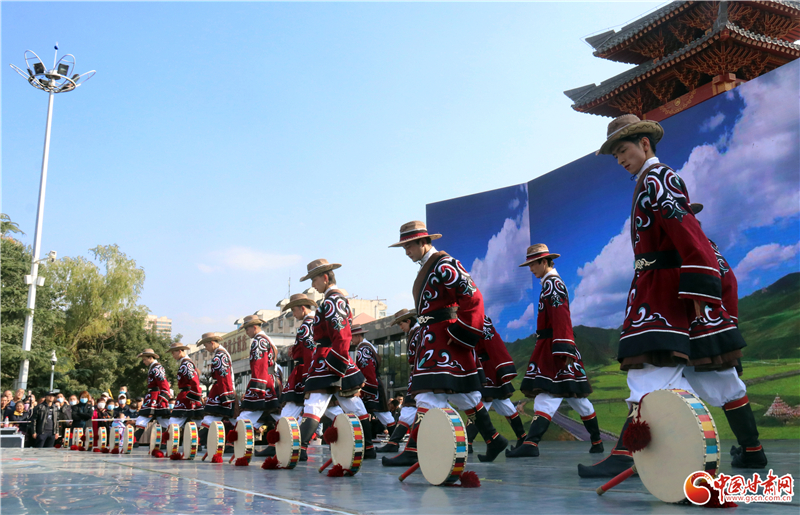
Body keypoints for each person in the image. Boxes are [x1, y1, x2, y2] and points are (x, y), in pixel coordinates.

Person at [579, 115, 764, 478]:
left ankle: (626, 454)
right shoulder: (650, 181)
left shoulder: (657, 177)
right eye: (615, 155)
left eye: (623, 150)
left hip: (662, 291)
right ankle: (753, 450)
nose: (620, 159)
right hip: (664, 284)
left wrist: (697, 288)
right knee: (719, 378)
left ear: (645, 144)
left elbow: (683, 227)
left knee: (647, 371)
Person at [384, 221, 508, 466]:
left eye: (408, 246)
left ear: (423, 242)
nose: (406, 251)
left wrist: (462, 331)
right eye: (404, 247)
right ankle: (493, 438)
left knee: (427, 393)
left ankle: (412, 449)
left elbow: (473, 296)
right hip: (434, 337)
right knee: (464, 395)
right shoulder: (430, 267)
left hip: (444, 338)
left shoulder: (444, 263)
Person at [506, 245, 603, 458]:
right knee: (576, 397)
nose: (531, 269)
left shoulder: (552, 285)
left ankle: (531, 444)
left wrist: (562, 348)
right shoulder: (550, 284)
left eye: (533, 264)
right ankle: (597, 441)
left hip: (555, 346)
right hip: (557, 344)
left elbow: (561, 316)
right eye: (529, 264)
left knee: (548, 394)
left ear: (544, 262)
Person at [297, 259, 374, 461]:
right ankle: (369, 447)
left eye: (314, 280)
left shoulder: (333, 300)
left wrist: (338, 362)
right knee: (353, 405)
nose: (312, 285)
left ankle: (300, 448)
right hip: (333, 357)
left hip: (330, 357)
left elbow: (342, 334)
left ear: (324, 277)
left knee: (315, 404)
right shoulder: (332, 299)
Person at [464, 316, 528, 456]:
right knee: (505, 405)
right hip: (481, 366)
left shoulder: (480, 319)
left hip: (488, 368)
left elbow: (493, 343)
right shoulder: (467, 318)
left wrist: (502, 367)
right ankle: (522, 437)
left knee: (480, 405)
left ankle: (468, 442)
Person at [376, 309, 420, 454]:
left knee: (420, 409)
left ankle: (406, 446)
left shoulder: (418, 333)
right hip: (417, 375)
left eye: (401, 324)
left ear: (408, 321)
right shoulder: (414, 333)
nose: (400, 327)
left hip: (420, 376)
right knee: (408, 410)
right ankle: (395, 443)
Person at [234, 315, 281, 434]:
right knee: (274, 413)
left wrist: (257, 386)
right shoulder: (267, 339)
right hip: (270, 379)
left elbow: (259, 365)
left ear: (254, 327)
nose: (246, 332)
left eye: (247, 329)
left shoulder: (258, 341)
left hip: (262, 380)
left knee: (246, 414)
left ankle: (235, 440)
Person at [351, 325, 397, 437]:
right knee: (382, 414)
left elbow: (368, 371)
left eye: (352, 337)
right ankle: (394, 439)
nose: (351, 340)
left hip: (371, 385)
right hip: (374, 384)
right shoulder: (368, 347)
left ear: (358, 336)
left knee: (379, 414)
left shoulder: (363, 349)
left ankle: (393, 440)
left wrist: (366, 388)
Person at [197, 332, 236, 448]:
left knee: (222, 417)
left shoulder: (220, 355)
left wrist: (225, 394)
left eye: (206, 345)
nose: (206, 348)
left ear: (211, 342)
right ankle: (231, 442)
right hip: (223, 388)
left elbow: (224, 376)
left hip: (222, 389)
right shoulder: (220, 354)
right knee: (230, 417)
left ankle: (197, 441)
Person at [133, 348, 172, 447]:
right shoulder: (153, 367)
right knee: (161, 419)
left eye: (145, 359)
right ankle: (164, 441)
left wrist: (165, 395)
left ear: (151, 358)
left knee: (145, 418)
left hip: (156, 396)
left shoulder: (157, 368)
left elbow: (163, 382)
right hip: (153, 395)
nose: (144, 361)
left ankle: (135, 439)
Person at [167, 341, 204, 429]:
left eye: (173, 352)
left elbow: (194, 381)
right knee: (197, 422)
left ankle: (168, 441)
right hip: (189, 394)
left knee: (174, 422)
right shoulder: (186, 363)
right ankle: (198, 440)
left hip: (187, 395)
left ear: (179, 351)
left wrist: (194, 396)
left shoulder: (186, 364)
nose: (172, 355)